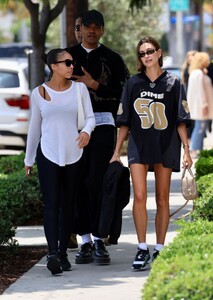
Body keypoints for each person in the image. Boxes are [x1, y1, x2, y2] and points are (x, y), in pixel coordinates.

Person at [110, 36, 193, 270]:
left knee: (162, 198)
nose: (146, 56)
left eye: (149, 51)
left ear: (159, 53)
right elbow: (124, 121)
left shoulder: (174, 82)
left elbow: (180, 120)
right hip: (139, 144)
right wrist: (117, 151)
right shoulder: (133, 83)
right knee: (139, 196)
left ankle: (160, 249)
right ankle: (141, 248)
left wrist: (187, 150)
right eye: (142, 53)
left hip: (166, 145)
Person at [24, 48, 95, 275]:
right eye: (67, 62)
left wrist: (86, 131)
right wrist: (29, 158)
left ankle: (63, 253)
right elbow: (34, 128)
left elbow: (91, 118)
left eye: (72, 62)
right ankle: (52, 253)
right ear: (54, 66)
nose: (71, 65)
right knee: (52, 204)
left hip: (74, 153)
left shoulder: (80, 89)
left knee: (68, 205)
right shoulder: (39, 93)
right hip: (48, 153)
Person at [67, 9, 130, 265]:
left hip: (103, 128)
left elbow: (123, 93)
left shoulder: (112, 59)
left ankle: (98, 239)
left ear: (102, 30)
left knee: (97, 181)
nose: (92, 31)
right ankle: (82, 240)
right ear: (80, 28)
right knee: (77, 182)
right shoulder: (67, 57)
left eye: (97, 26)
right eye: (88, 26)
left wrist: (93, 85)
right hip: (71, 131)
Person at [187, 52, 213, 158]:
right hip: (201, 106)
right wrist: (204, 104)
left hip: (200, 105)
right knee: (200, 128)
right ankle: (194, 149)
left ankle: (199, 149)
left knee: (200, 128)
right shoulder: (198, 73)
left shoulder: (196, 72)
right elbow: (200, 90)